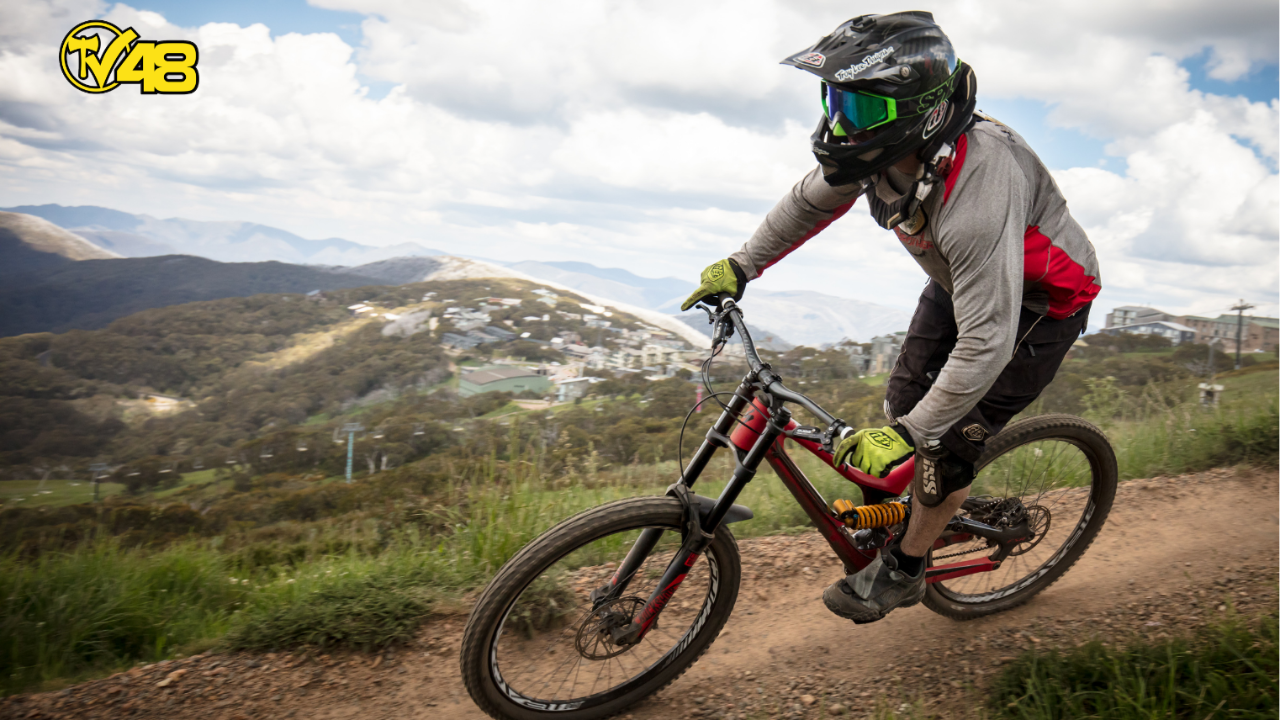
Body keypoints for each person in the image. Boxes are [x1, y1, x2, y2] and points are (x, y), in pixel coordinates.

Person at [680, 11, 1101, 624]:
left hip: (1040, 306)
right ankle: (903, 516)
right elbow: (806, 203)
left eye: (861, 109)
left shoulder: (982, 186)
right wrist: (742, 265)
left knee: (942, 440)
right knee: (901, 404)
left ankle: (906, 568)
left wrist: (914, 437)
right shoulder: (885, 154)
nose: (840, 122)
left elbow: (988, 341)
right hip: (960, 286)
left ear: (921, 111)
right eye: (836, 101)